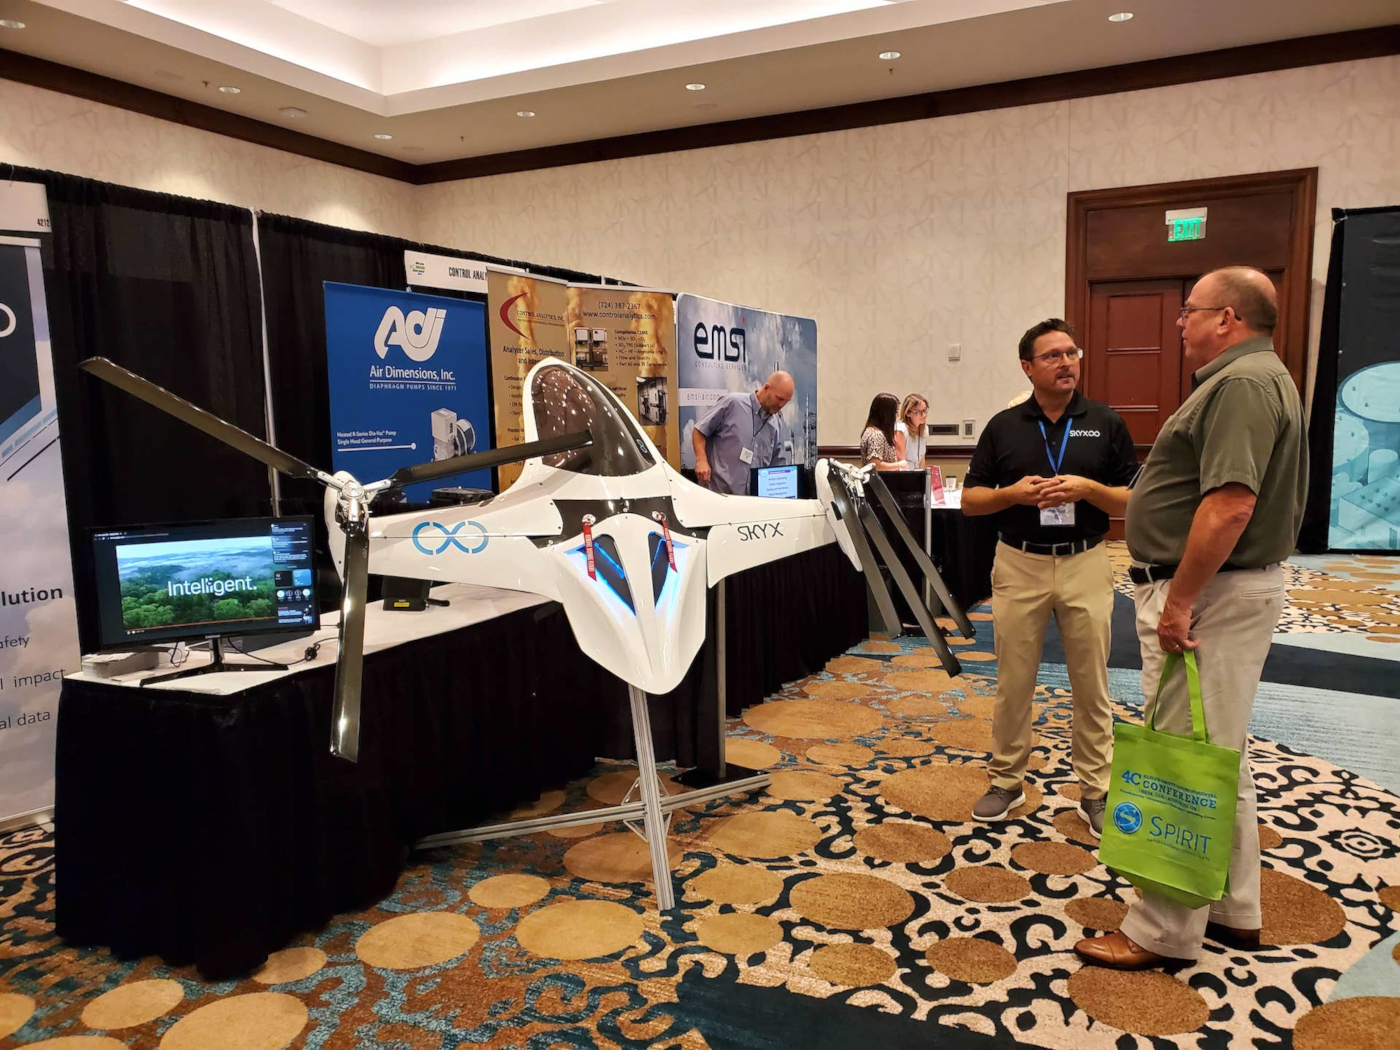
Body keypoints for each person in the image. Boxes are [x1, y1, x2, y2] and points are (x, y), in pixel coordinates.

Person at [1076, 267, 1307, 970]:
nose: (1180, 322)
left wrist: (1178, 601)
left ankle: (1162, 930)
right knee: (1215, 756)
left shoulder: (1240, 386)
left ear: (1229, 319)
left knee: (1178, 759)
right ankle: (1235, 908)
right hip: (1226, 591)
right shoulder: (1260, 377)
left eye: (1191, 311)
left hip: (1209, 596)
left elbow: (1231, 504)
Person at [962, 319, 1138, 834]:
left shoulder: (1104, 422)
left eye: (1071, 353)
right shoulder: (1004, 426)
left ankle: (1097, 790)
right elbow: (972, 501)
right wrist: (1011, 495)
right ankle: (1006, 782)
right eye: (1052, 356)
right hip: (1019, 563)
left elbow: (1133, 497)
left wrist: (1088, 489)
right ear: (1027, 367)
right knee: (1014, 681)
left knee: (1092, 682)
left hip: (1085, 561)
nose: (1066, 363)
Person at [692, 371, 794, 494]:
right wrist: (701, 460)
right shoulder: (732, 403)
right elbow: (699, 430)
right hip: (719, 497)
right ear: (766, 388)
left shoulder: (776, 424)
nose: (781, 405)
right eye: (779, 398)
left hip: (753, 504)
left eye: (786, 401)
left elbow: (777, 465)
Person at [860, 393, 908, 471]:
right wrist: (899, 465)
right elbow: (875, 465)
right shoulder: (876, 435)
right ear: (886, 414)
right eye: (896, 412)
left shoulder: (872, 431)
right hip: (880, 481)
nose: (898, 415)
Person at [895, 394, 929, 468]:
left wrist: (922, 477)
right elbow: (900, 461)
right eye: (918, 412)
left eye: (925, 410)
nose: (923, 415)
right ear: (907, 413)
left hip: (917, 474)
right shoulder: (900, 429)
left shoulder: (925, 430)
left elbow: (922, 458)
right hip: (905, 475)